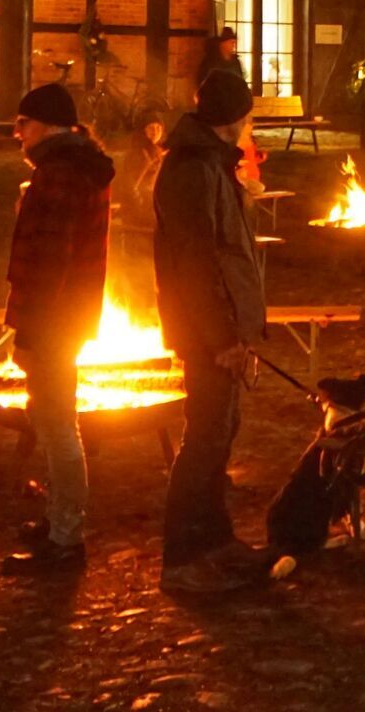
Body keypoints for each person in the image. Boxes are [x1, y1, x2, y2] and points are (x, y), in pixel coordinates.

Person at [153, 64, 269, 596]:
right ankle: (181, 557)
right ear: (233, 119)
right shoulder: (191, 170)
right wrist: (222, 336)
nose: (249, 128)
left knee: (221, 432)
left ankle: (215, 539)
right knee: (202, 440)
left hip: (223, 327)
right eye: (247, 119)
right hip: (206, 331)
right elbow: (196, 262)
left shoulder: (213, 165)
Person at [1, 82, 115, 574]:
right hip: (67, 317)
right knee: (52, 419)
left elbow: (49, 261)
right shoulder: (75, 168)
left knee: (57, 423)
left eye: (23, 123)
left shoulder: (60, 173)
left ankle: (66, 538)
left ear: (46, 125)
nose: (17, 133)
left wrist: (29, 331)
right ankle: (58, 521)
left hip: (52, 320)